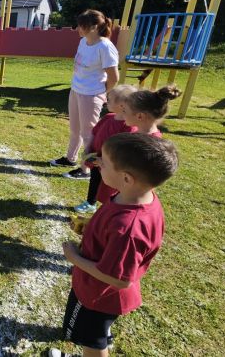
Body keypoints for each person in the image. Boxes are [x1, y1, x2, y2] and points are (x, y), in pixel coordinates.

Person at [53, 133, 178, 357]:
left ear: (127, 178)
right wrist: (92, 227)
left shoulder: (129, 228)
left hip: (98, 296)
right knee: (96, 333)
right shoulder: (136, 196)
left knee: (92, 342)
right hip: (101, 294)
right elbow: (114, 232)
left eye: (105, 163)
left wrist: (74, 258)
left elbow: (119, 279)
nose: (98, 164)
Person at [50, 10, 119, 180]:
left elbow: (114, 77)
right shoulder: (83, 42)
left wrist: (102, 93)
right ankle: (70, 158)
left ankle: (85, 169)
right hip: (76, 90)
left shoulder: (105, 47)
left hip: (91, 94)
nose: (77, 29)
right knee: (75, 129)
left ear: (94, 27)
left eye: (82, 26)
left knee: (88, 134)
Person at [95, 85, 182, 204]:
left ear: (140, 116)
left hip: (128, 198)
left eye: (125, 111)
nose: (122, 114)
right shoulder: (136, 135)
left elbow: (141, 176)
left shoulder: (151, 145)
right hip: (120, 189)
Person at [73, 84, 137, 213]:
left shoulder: (129, 126)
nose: (106, 102)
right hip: (96, 158)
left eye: (109, 100)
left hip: (112, 163)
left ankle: (111, 207)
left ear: (122, 106)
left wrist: (108, 161)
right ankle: (90, 202)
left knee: (110, 186)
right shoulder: (108, 117)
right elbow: (94, 132)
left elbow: (124, 147)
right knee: (95, 180)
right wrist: (88, 148)